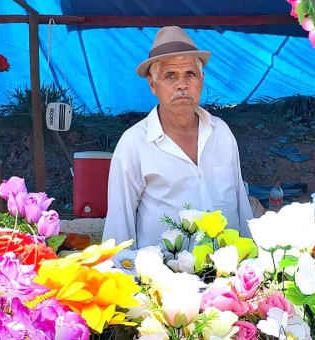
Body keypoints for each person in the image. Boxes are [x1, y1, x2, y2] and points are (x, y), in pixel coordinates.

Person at [101, 26, 254, 249]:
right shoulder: (134, 144)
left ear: (201, 79)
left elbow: (241, 208)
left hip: (226, 275)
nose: (182, 84)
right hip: (161, 280)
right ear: (153, 85)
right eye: (170, 75)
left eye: (190, 74)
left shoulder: (221, 133)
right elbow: (119, 227)